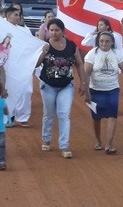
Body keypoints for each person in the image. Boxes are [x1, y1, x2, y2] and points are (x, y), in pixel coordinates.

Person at [36, 18, 86, 158]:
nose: (53, 33)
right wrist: (43, 53)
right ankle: (46, 138)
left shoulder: (71, 46)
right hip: (48, 86)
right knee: (49, 114)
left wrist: (83, 83)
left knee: (64, 114)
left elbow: (79, 64)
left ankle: (64, 146)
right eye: (51, 30)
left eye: (56, 30)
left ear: (62, 31)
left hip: (66, 86)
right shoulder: (44, 46)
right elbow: (35, 64)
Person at [83, 31, 123, 154]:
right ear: (98, 41)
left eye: (107, 41)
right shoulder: (92, 54)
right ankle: (98, 140)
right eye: (102, 41)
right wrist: (87, 92)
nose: (104, 43)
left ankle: (109, 144)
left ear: (112, 42)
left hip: (112, 89)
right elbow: (86, 74)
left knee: (112, 115)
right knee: (96, 117)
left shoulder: (117, 53)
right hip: (95, 90)